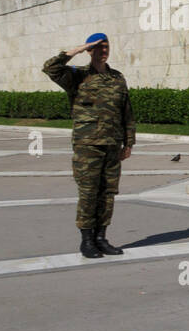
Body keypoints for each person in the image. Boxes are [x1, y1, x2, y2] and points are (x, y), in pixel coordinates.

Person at [42, 32, 136, 259]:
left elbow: (127, 112)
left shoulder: (117, 78)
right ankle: (86, 241)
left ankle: (101, 238)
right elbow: (50, 68)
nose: (103, 51)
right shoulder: (77, 76)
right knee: (88, 193)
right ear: (90, 50)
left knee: (108, 193)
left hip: (112, 145)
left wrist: (129, 142)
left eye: (106, 47)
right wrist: (75, 50)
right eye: (98, 47)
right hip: (88, 146)